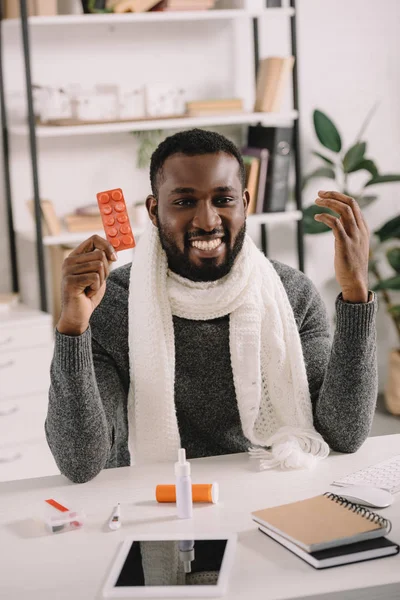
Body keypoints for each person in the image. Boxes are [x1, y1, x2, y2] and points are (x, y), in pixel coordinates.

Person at [46, 129, 377, 483]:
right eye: (185, 202)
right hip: (150, 502)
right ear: (155, 211)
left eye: (223, 200)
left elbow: (345, 433)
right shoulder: (111, 303)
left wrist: (356, 293)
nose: (207, 221)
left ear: (244, 203)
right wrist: (73, 328)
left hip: (269, 488)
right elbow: (80, 462)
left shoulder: (292, 294)